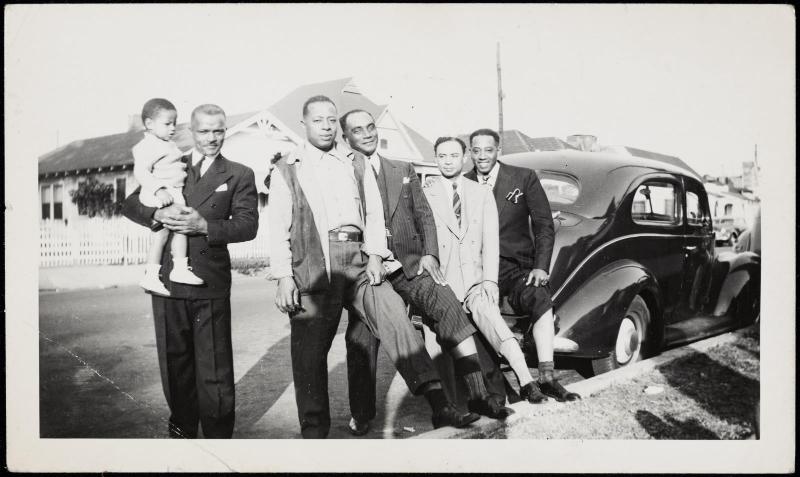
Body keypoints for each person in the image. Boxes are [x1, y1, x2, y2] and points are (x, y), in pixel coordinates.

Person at [267, 95, 479, 439]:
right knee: (309, 353)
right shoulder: (288, 167)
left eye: (331, 120)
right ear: (303, 124)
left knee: (397, 321)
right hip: (314, 264)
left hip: (359, 259)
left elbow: (373, 215)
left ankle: (440, 405)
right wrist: (282, 277)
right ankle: (314, 432)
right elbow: (277, 227)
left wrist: (377, 255)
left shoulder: (355, 163)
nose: (325, 126)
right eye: (317, 120)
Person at [339, 110, 513, 436]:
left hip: (409, 264)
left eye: (370, 127)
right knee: (362, 340)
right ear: (346, 137)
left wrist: (430, 253)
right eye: (356, 130)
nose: (366, 134)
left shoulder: (401, 168)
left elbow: (423, 214)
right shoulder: (342, 173)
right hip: (368, 270)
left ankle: (476, 396)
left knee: (447, 304)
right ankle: (362, 413)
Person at [122, 104, 259, 438]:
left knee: (214, 368)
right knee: (175, 364)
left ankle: (217, 437)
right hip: (168, 282)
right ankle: (183, 429)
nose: (212, 138)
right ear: (190, 132)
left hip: (209, 282)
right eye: (204, 131)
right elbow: (130, 203)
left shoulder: (239, 173)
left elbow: (248, 225)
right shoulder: (169, 162)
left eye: (218, 130)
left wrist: (205, 225)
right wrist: (156, 217)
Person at [424, 136, 555, 403]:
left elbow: (491, 241)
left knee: (495, 324)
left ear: (464, 158)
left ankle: (528, 382)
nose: (448, 161)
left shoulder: (480, 192)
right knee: (451, 342)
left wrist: (490, 281)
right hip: (443, 281)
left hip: (476, 279)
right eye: (441, 156)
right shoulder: (426, 192)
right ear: (435, 158)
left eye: (453, 156)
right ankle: (459, 401)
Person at [464, 128, 580, 402]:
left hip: (516, 266)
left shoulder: (522, 177)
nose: (482, 156)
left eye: (488, 150)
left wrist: (541, 266)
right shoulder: (463, 181)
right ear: (470, 152)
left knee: (540, 298)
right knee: (481, 315)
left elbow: (544, 226)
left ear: (498, 150)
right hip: (479, 268)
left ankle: (547, 376)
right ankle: (498, 386)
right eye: (476, 150)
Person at [132, 98, 204, 295]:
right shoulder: (148, 145)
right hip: (161, 192)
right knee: (174, 228)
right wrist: (158, 189)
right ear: (149, 124)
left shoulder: (166, 143)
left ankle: (162, 273)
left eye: (175, 122)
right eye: (167, 123)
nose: (173, 127)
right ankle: (171, 270)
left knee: (167, 232)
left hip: (171, 191)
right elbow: (141, 172)